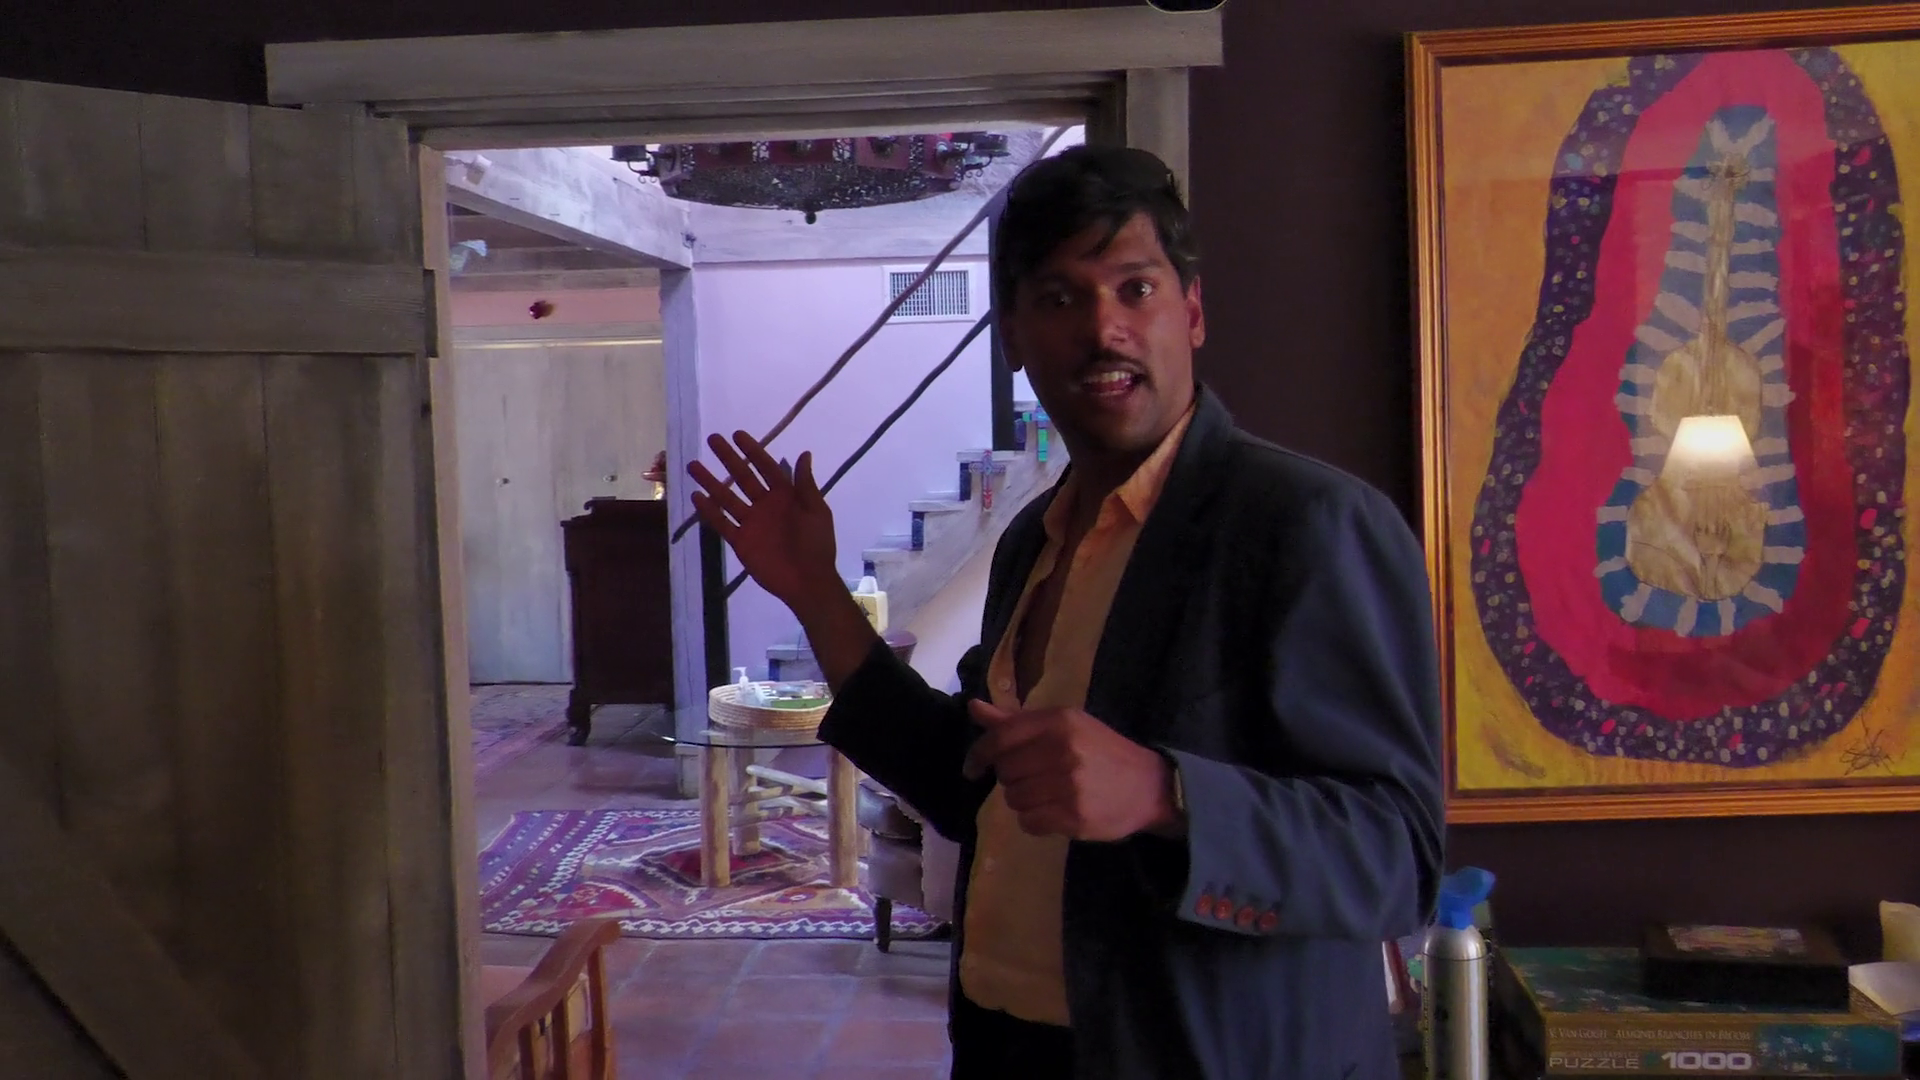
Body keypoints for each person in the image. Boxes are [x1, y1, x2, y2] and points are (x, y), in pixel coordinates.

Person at [688, 145, 1445, 1080]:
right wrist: (813, 589)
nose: (1102, 329)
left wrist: (1166, 795)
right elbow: (980, 784)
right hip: (1008, 1047)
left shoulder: (1307, 525)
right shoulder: (1031, 542)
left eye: (1135, 289)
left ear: (1191, 312)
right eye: (1058, 298)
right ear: (1011, 336)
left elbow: (1398, 857)